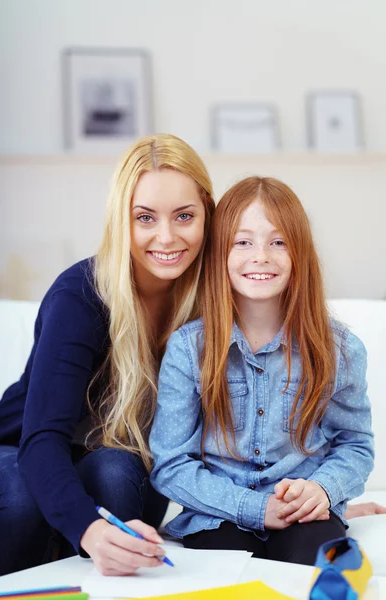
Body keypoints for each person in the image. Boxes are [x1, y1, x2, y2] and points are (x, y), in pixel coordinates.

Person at [0, 133, 215, 580]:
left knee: (115, 473)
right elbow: (41, 440)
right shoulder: (81, 295)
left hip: (117, 458)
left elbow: (237, 431)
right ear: (121, 220)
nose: (166, 237)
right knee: (18, 495)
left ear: (208, 213)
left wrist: (314, 498)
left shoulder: (213, 301)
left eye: (184, 216)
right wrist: (87, 528)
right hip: (22, 449)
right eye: (145, 218)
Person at [150, 176, 375, 565]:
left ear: (299, 253)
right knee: (230, 576)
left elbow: (355, 446)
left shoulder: (340, 349)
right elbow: (171, 465)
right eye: (243, 242)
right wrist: (255, 508)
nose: (261, 256)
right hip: (218, 514)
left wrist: (323, 488)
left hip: (306, 511)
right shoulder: (189, 349)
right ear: (220, 253)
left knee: (335, 569)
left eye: (278, 242)